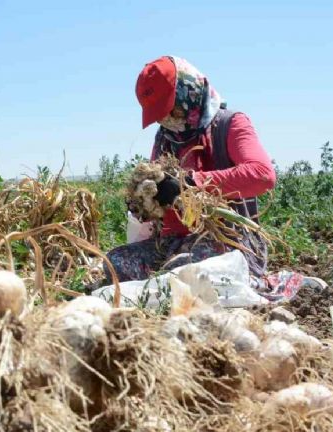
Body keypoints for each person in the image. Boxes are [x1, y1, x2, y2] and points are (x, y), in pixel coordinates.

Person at [106, 56, 276, 282]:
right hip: (175, 244)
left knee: (187, 270)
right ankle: (166, 285)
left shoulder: (230, 123)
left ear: (189, 91)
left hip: (229, 242)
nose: (167, 120)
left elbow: (262, 175)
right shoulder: (166, 139)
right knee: (116, 262)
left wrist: (190, 183)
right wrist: (143, 203)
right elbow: (160, 194)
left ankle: (167, 285)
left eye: (171, 110)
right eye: (161, 116)